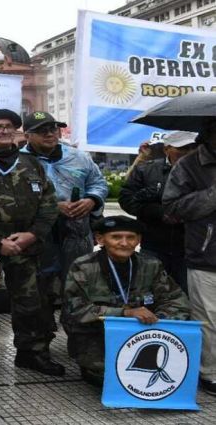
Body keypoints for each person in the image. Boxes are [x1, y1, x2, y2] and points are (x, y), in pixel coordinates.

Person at [0, 109, 64, 376]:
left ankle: (32, 353)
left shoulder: (32, 164)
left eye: (8, 126)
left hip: (26, 246)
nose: (3, 131)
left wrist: (33, 234)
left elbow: (49, 205)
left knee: (33, 302)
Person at [62, 216, 190, 387]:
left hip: (143, 334)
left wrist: (157, 321)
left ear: (139, 240)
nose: (124, 243)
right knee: (112, 378)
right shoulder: (83, 266)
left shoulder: (150, 264)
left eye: (130, 237)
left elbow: (177, 300)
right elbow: (74, 310)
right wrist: (125, 313)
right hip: (98, 334)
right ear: (100, 239)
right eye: (116, 237)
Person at [21, 111, 108, 294]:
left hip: (76, 228)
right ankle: (45, 320)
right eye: (41, 130)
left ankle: (77, 320)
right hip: (37, 232)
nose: (49, 134)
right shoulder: (18, 160)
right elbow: (14, 198)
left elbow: (98, 183)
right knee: (39, 285)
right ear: (27, 135)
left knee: (80, 280)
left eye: (53, 128)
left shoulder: (79, 157)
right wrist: (52, 207)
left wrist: (92, 200)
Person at [162, 118, 216, 395]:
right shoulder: (189, 165)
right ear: (208, 135)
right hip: (207, 255)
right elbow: (172, 209)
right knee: (210, 318)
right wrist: (212, 195)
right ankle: (210, 373)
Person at [118, 131, 198, 291]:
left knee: (188, 294)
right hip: (153, 244)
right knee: (150, 292)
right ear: (167, 149)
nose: (187, 152)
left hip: (191, 247)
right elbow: (127, 200)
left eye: (192, 147)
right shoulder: (145, 170)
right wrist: (160, 213)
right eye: (182, 148)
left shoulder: (204, 172)